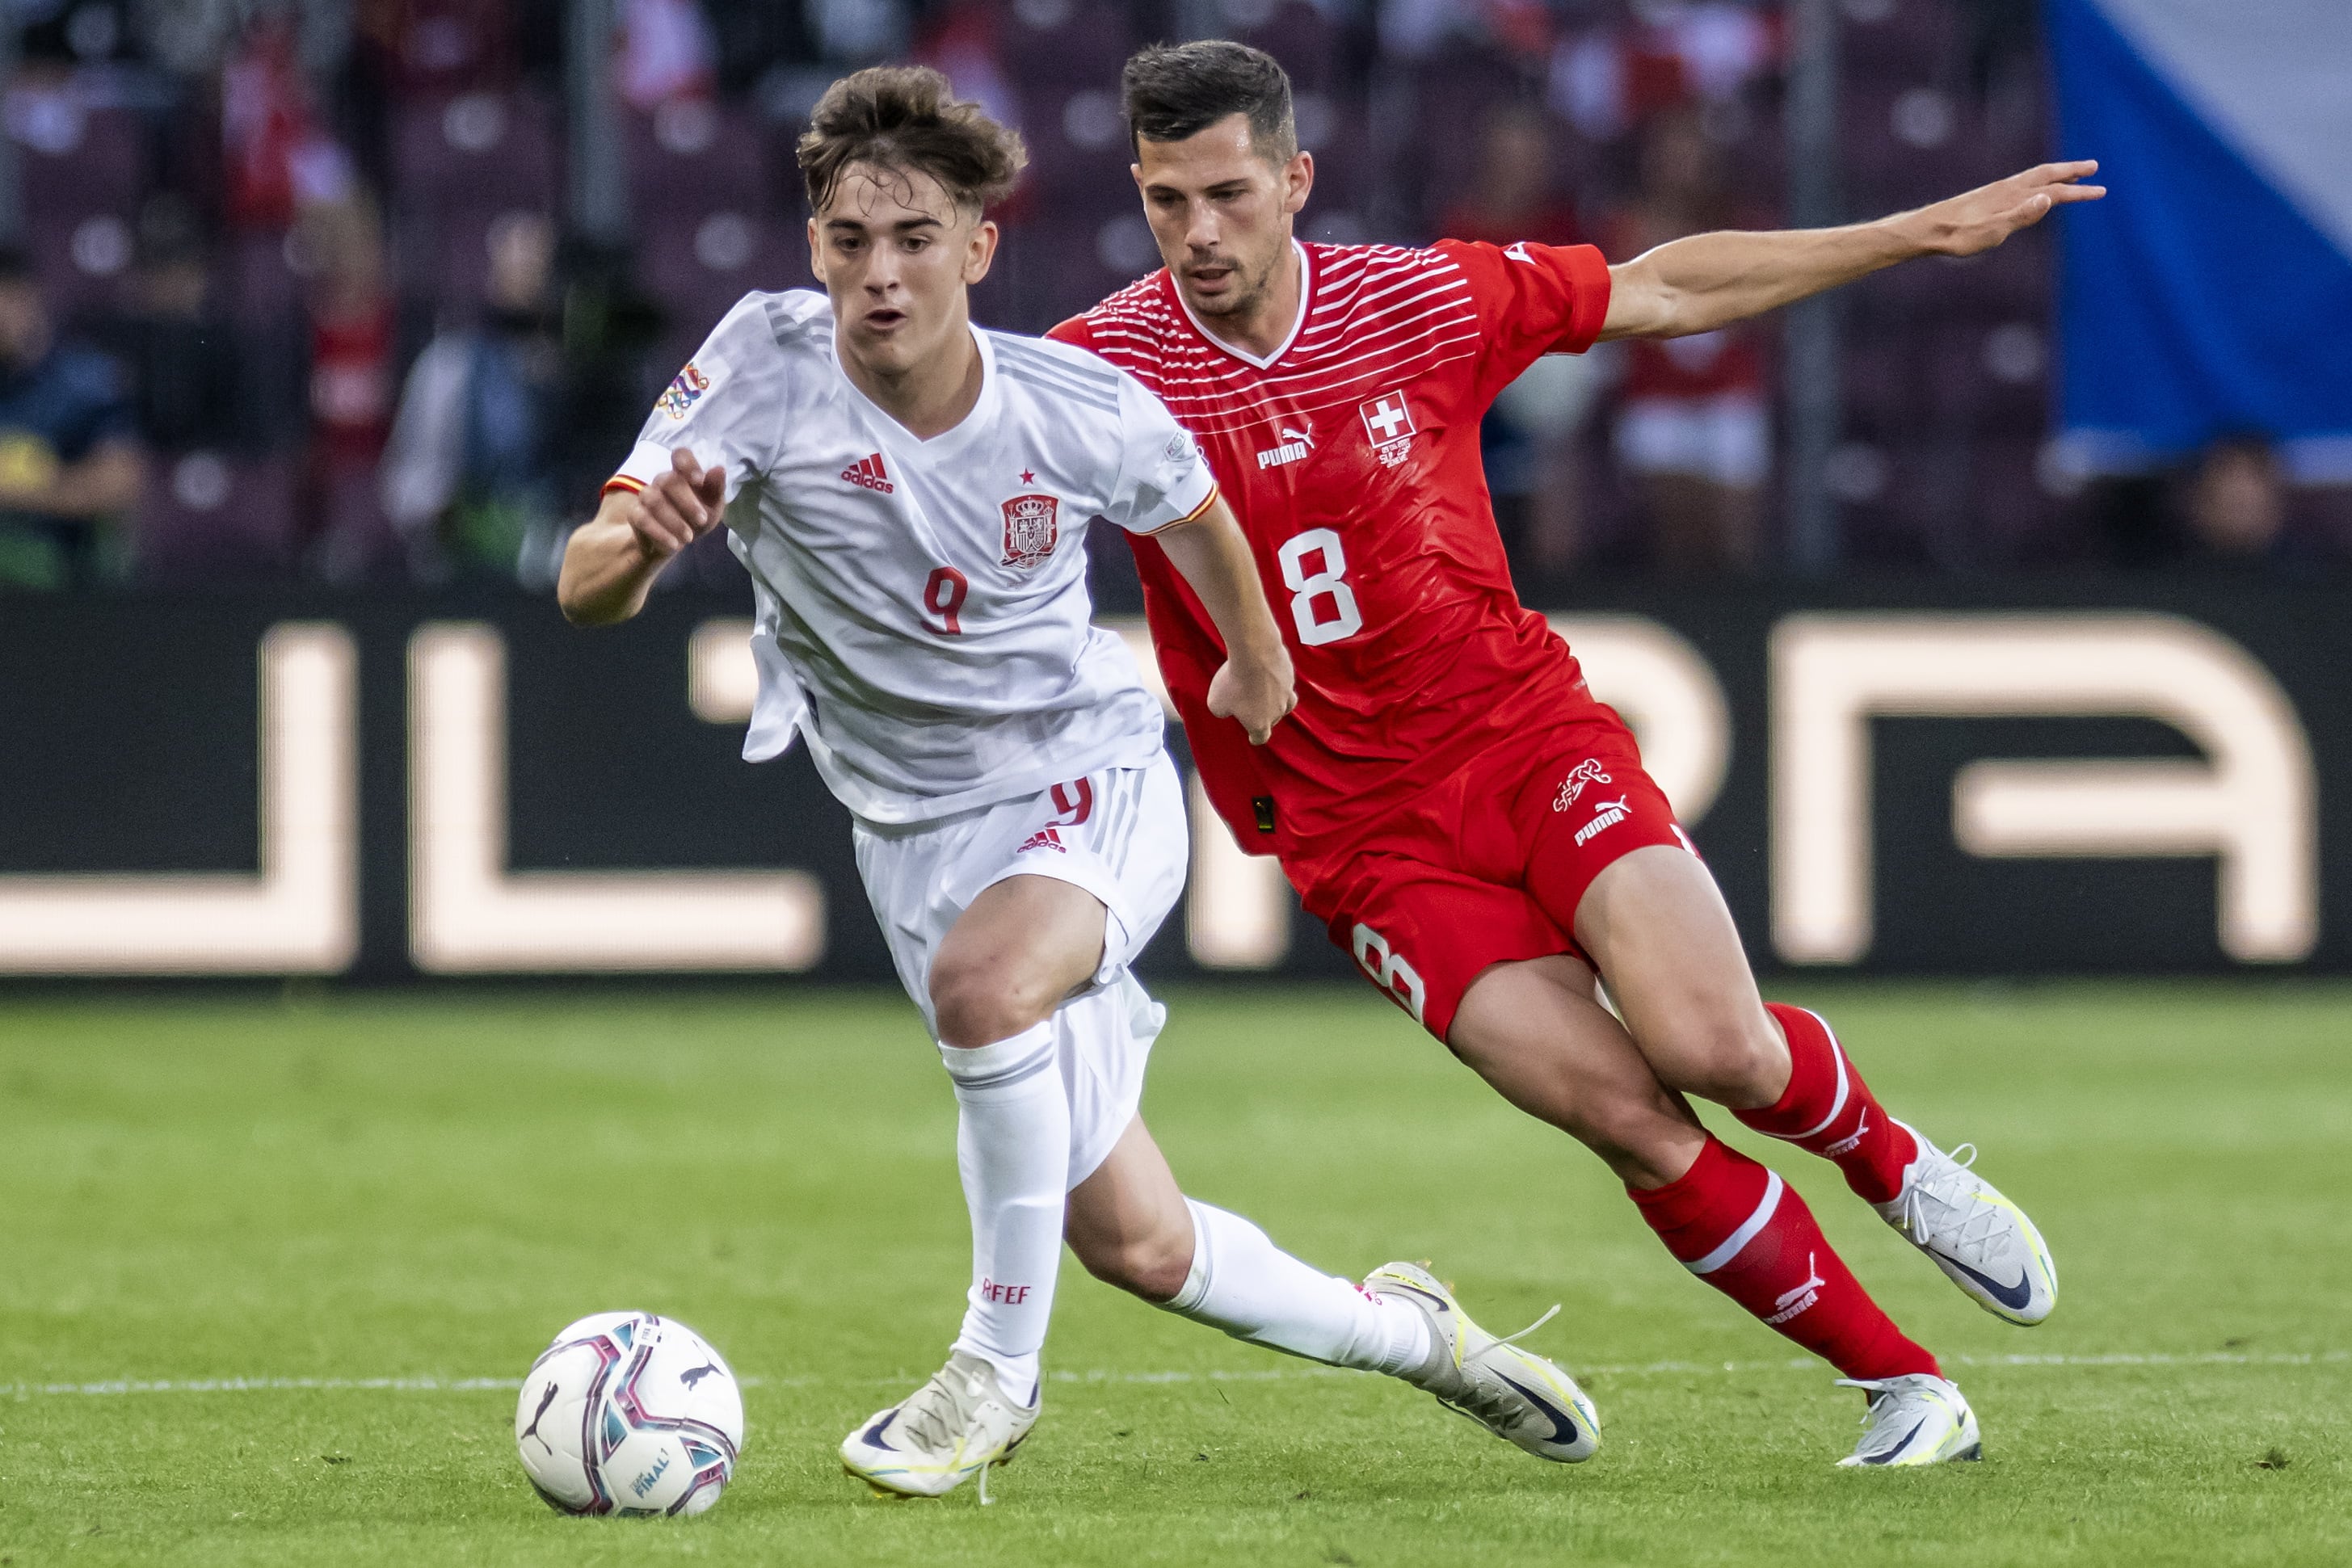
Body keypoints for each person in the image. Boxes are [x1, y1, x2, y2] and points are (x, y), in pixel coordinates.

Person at [557, 66, 1601, 1503]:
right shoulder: (758, 366)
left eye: (915, 238)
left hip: (1082, 777)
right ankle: (1414, 1337)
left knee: (986, 990)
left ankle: (992, 1370)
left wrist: (1254, 666)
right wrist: (645, 543)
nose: (879, 274)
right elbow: (582, 584)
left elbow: (1194, 510)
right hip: (910, 838)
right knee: (1141, 1246)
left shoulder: (1070, 405)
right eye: (850, 240)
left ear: (978, 249)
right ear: (812, 250)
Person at [1053, 41, 2093, 1467]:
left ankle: (1889, 1158)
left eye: (1229, 193)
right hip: (1367, 840)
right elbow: (941, 453)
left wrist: (1913, 230)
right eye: (1169, 201)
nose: (1201, 232)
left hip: (1523, 741)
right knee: (1628, 1116)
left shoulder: (1414, 302)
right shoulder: (1097, 370)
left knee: (1712, 1044)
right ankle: (1906, 1388)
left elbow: (1664, 285)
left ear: (1295, 181)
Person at [0, 247, 143, 591]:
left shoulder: (87, 381)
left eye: (8, 300)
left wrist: (19, 489)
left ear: (30, 298)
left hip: (62, 586)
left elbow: (120, 481)